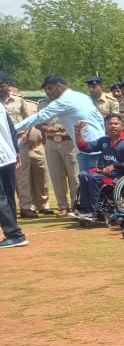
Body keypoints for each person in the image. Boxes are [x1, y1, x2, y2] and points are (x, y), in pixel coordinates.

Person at [15, 75, 105, 214]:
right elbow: (98, 118)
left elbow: (39, 117)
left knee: (88, 181)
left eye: (50, 89)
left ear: (59, 86)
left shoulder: (64, 101)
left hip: (87, 147)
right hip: (97, 143)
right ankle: (95, 210)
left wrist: (11, 129)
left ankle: (93, 211)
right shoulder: (81, 96)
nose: (48, 93)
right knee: (96, 180)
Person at [72, 113, 124, 219]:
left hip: (119, 175)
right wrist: (78, 132)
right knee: (83, 175)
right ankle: (85, 208)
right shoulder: (104, 141)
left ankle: (97, 209)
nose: (113, 126)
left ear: (122, 126)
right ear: (106, 127)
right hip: (104, 173)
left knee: (94, 177)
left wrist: (116, 165)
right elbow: (84, 147)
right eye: (110, 124)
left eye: (116, 123)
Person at [0, 73, 49, 218]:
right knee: (20, 176)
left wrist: (26, 134)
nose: (0, 89)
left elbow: (29, 119)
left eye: (2, 86)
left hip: (21, 140)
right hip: (4, 142)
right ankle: (25, 207)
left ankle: (31, 206)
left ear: (8, 86)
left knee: (28, 173)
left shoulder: (19, 101)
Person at [0, 107, 28, 249]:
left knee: (1, 198)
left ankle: (14, 234)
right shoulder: (1, 106)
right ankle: (12, 229)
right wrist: (16, 151)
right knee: (8, 196)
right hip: (8, 155)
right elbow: (11, 129)